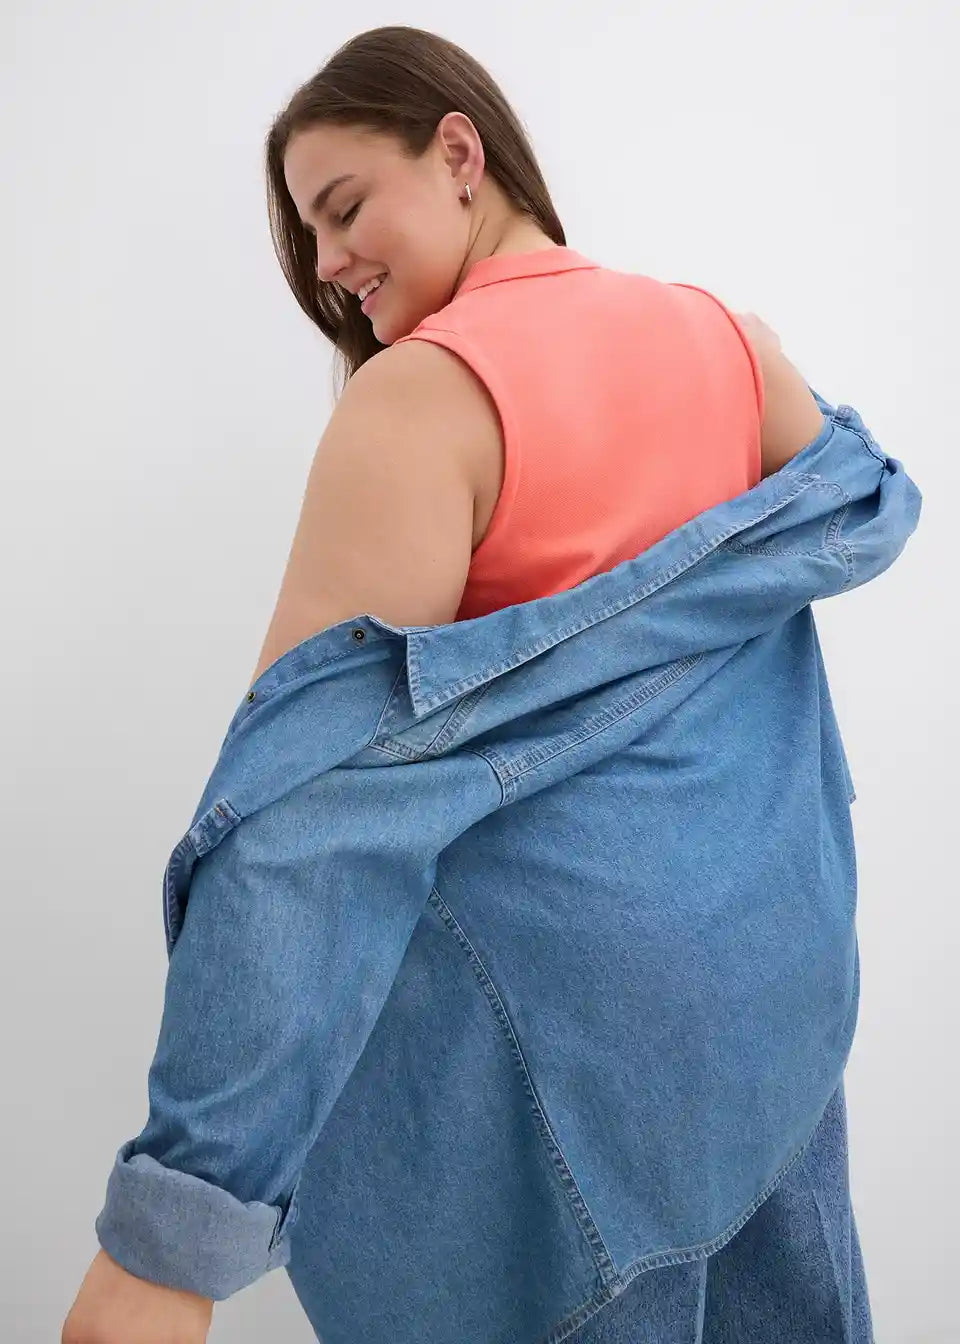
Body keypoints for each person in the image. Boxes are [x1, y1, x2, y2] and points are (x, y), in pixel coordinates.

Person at [62, 25, 890, 1344]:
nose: (327, 264)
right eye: (307, 236)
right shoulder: (723, 338)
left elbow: (298, 824)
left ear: (459, 153)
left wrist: (175, 1234)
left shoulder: (421, 404)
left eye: (343, 209)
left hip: (574, 1089)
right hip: (773, 999)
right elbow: (857, 500)